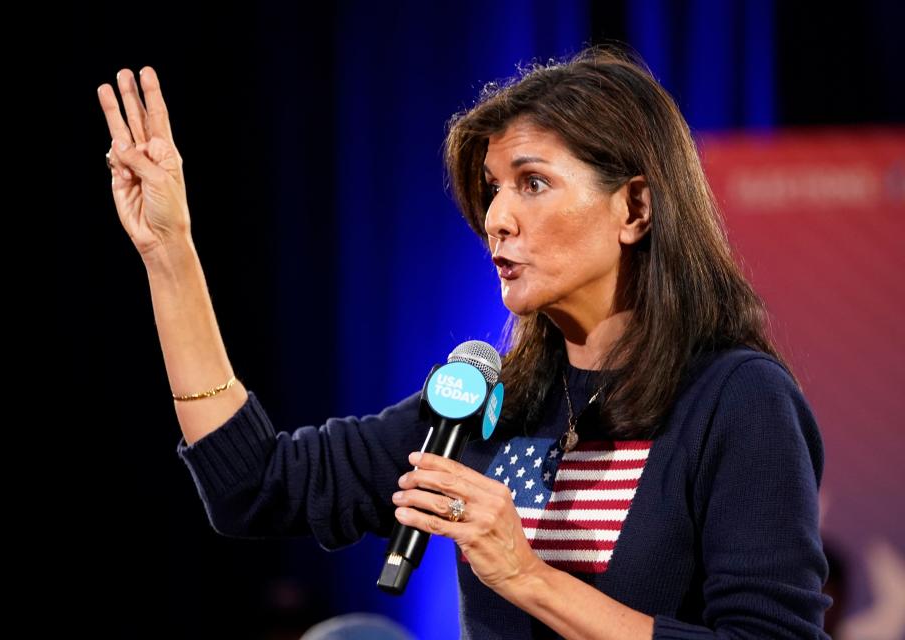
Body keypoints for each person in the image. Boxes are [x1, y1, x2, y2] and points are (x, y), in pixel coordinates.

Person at [98, 46, 831, 639]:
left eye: (532, 183)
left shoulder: (738, 401)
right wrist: (170, 254)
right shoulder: (487, 406)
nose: (498, 218)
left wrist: (526, 575)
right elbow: (253, 486)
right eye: (492, 188)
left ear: (635, 207)